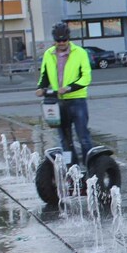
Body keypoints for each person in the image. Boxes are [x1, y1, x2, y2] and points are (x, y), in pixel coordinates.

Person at [35, 23, 93, 164]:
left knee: (83, 136)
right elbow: (45, 75)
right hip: (58, 102)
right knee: (64, 139)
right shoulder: (48, 54)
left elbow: (86, 77)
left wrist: (69, 88)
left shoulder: (80, 53)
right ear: (54, 40)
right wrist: (40, 88)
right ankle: (71, 168)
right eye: (58, 40)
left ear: (68, 39)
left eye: (64, 40)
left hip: (77, 100)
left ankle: (91, 167)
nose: (61, 43)